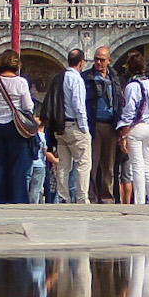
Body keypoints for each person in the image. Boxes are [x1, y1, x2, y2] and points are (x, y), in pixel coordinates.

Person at [0, 50, 37, 204]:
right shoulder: (21, 82)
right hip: (15, 128)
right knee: (17, 165)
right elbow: (28, 106)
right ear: (17, 65)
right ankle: (17, 199)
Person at [116, 51, 149, 205]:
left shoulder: (132, 86)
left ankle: (140, 201)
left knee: (137, 165)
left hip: (136, 128)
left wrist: (123, 133)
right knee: (147, 164)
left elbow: (129, 110)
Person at [54, 48, 92, 203]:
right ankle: (82, 197)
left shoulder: (59, 77)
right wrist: (85, 128)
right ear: (81, 63)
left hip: (60, 126)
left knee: (63, 164)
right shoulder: (76, 79)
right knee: (83, 163)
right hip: (75, 125)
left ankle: (63, 197)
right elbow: (78, 105)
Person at [84, 46, 121, 203]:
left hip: (111, 124)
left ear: (109, 61)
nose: (99, 62)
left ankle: (107, 197)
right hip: (94, 123)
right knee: (92, 162)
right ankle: (91, 196)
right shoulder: (87, 77)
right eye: (96, 59)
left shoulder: (115, 78)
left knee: (109, 165)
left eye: (102, 59)